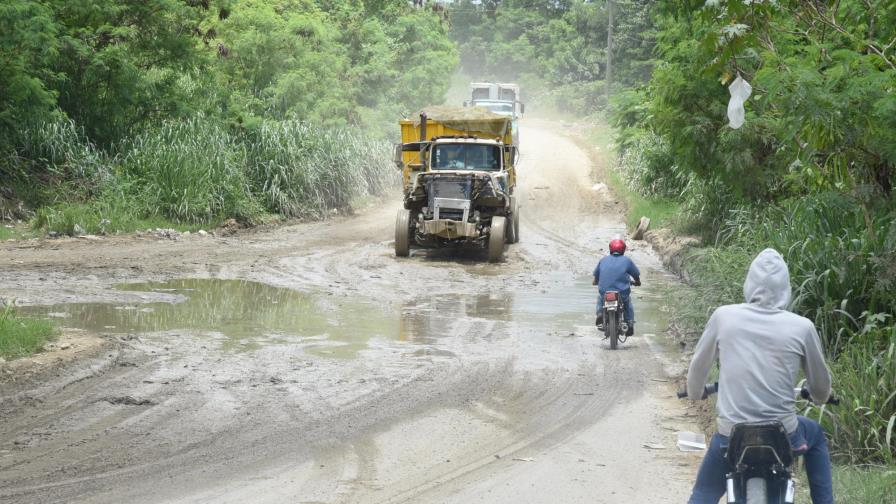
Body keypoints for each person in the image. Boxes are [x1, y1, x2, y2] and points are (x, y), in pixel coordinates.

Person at [686, 248, 834, 504]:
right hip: (785, 434)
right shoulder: (802, 327)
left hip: (731, 434)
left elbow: (697, 370)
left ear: (749, 284)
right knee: (816, 434)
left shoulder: (724, 317)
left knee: (703, 494)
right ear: (786, 288)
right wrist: (821, 396)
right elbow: (821, 389)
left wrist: (696, 392)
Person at [592, 238, 641, 335]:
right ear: (623, 250)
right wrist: (637, 282)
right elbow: (636, 274)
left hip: (605, 292)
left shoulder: (603, 260)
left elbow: (595, 278)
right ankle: (629, 323)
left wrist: (596, 282)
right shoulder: (627, 261)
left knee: (600, 298)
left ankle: (600, 314)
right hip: (622, 293)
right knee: (627, 302)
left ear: (610, 249)